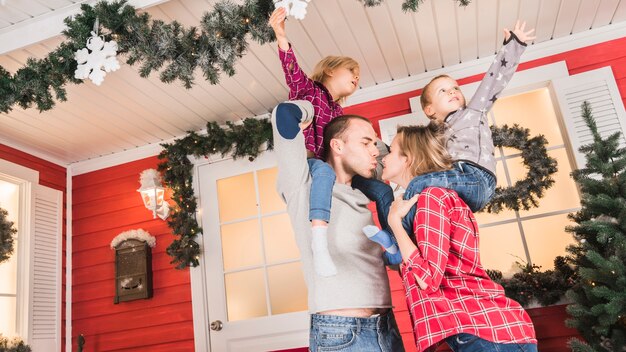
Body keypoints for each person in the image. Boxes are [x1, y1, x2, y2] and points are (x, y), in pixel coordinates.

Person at [358, 21, 536, 263]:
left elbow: (494, 81)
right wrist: (368, 141)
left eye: (455, 88)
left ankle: (397, 240)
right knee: (417, 196)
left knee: (419, 185)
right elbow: (404, 149)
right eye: (443, 91)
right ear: (429, 109)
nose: (453, 92)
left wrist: (513, 45)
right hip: (460, 186)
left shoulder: (473, 112)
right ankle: (398, 243)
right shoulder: (434, 134)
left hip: (476, 177)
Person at [382, 124, 537, 352]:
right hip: (482, 332)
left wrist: (395, 224)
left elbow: (427, 279)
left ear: (409, 158)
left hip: (486, 332)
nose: (384, 158)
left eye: (391, 151)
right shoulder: (426, 201)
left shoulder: (431, 198)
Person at [271, 100, 405, 351]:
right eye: (365, 143)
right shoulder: (302, 182)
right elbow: (284, 113)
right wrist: (312, 114)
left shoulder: (365, 194)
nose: (374, 150)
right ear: (337, 145)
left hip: (386, 327)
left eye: (374, 144)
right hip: (341, 332)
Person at [269, 7, 361, 277]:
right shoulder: (310, 90)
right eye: (351, 71)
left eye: (359, 77)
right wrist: (281, 34)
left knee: (366, 187)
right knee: (322, 172)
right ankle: (318, 241)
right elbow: (292, 72)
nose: (357, 78)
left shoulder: (340, 113)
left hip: (329, 172)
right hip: (310, 164)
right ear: (331, 71)